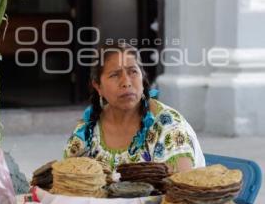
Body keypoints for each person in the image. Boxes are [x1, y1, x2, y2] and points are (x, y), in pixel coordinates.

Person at [64, 42, 205, 172]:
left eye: (133, 72)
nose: (126, 82)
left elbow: (181, 187)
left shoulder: (167, 124)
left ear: (142, 79)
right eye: (114, 75)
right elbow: (66, 180)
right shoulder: (88, 127)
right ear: (98, 87)